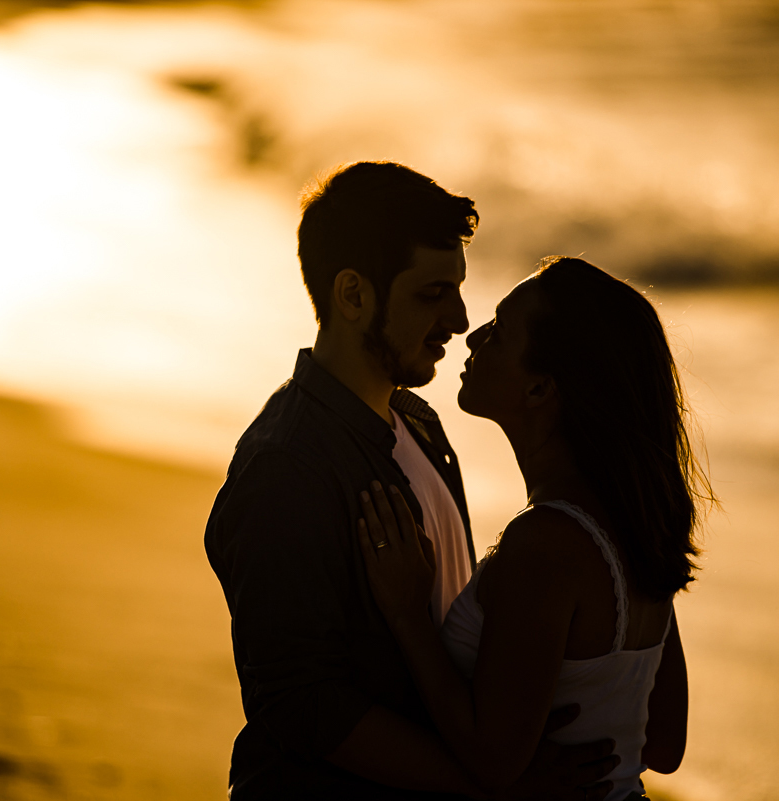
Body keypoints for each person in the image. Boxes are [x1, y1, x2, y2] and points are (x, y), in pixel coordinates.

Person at [204, 164, 620, 799]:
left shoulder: (418, 422)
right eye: (431, 294)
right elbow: (297, 701)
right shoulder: (286, 468)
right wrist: (489, 785)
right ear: (353, 296)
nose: (459, 320)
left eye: (457, 290)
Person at [357, 257, 712, 800]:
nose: (473, 336)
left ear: (540, 389)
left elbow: (494, 760)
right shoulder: (634, 526)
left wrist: (410, 618)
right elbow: (662, 744)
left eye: (499, 331)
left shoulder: (545, 544)